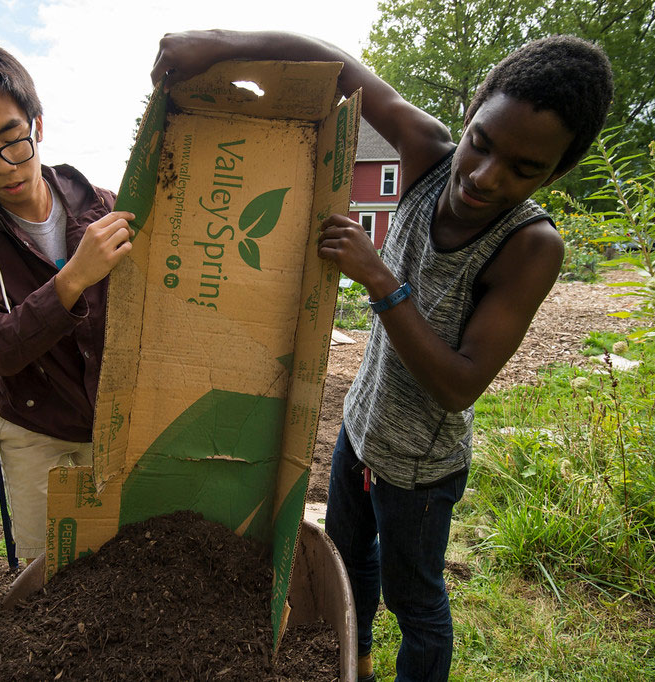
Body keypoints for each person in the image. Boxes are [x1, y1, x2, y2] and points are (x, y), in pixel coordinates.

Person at [152, 31, 613, 682]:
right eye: (481, 143)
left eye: (523, 168)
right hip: (359, 432)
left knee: (416, 601)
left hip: (421, 471)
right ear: (472, 112)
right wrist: (222, 46)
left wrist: (380, 281)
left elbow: (459, 385)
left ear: (556, 172)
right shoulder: (426, 153)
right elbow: (341, 68)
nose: (485, 175)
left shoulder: (530, 246)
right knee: (347, 560)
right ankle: (358, 664)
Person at [0, 33, 134, 564]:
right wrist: (71, 280)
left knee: (128, 562)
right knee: (50, 576)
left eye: (12, 139)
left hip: (118, 423)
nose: (5, 166)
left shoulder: (100, 205)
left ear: (37, 125)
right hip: (38, 434)